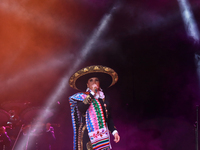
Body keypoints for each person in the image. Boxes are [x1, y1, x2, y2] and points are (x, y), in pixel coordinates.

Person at [69, 65, 120, 150]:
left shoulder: (104, 98)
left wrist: (115, 132)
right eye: (91, 80)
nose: (94, 82)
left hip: (102, 136)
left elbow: (108, 118)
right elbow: (82, 108)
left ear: (99, 83)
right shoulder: (82, 97)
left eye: (96, 80)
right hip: (87, 134)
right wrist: (92, 94)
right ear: (87, 84)